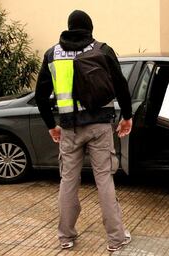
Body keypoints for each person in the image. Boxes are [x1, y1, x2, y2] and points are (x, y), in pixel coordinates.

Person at [35, 10, 133, 251]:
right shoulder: (102, 50)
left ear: (68, 27)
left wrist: (51, 125)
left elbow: (40, 96)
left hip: (69, 128)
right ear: (90, 29)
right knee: (104, 180)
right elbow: (121, 85)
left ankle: (65, 237)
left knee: (68, 181)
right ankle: (116, 239)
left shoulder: (52, 55)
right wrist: (127, 117)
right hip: (100, 125)